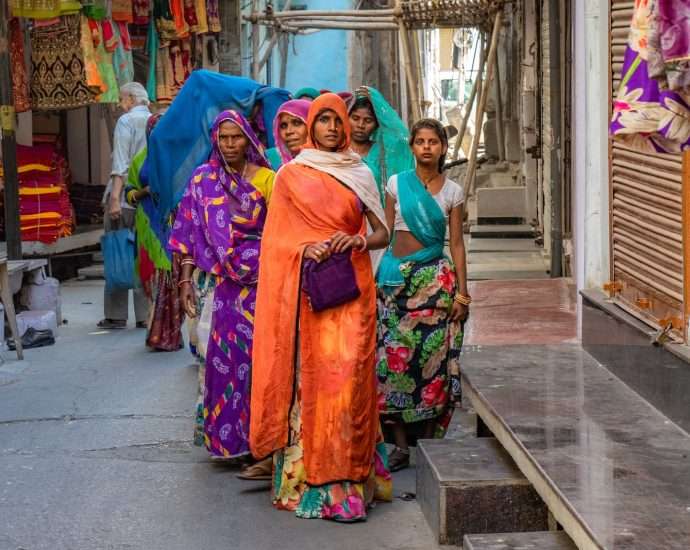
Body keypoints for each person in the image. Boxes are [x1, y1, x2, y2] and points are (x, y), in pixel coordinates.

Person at [250, 93, 392, 522]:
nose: (331, 127)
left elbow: (383, 234)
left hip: (352, 289)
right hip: (310, 293)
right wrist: (304, 247)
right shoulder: (293, 175)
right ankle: (313, 483)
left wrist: (358, 240)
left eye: (337, 120)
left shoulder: (359, 171)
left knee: (348, 383)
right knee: (316, 382)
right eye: (323, 119)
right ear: (312, 125)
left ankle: (352, 480)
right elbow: (275, 242)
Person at [168, 110, 275, 477]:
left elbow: (278, 233)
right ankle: (225, 440)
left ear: (248, 138)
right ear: (216, 139)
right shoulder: (203, 180)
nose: (230, 145)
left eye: (237, 137)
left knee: (256, 364)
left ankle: (257, 443)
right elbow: (186, 235)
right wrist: (184, 284)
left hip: (260, 283)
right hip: (214, 285)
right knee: (216, 361)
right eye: (224, 138)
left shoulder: (266, 179)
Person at [376, 118, 469, 472]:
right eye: (420, 141)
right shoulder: (397, 184)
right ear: (412, 147)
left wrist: (463, 293)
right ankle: (399, 445)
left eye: (433, 141)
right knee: (393, 365)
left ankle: (429, 442)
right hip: (396, 283)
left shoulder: (453, 192)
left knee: (433, 365)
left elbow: (457, 244)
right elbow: (384, 234)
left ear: (443, 148)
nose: (427, 147)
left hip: (435, 285)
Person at [125, 113, 184, 352]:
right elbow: (129, 192)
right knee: (155, 280)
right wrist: (144, 191)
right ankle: (156, 331)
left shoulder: (179, 156)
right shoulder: (140, 159)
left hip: (176, 225)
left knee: (176, 280)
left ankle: (172, 334)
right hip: (149, 227)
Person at [99, 82, 152, 330]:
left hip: (124, 198)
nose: (120, 104)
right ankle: (144, 315)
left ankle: (116, 315)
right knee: (142, 254)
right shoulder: (155, 121)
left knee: (116, 251)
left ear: (131, 99)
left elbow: (120, 163)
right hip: (146, 197)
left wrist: (114, 200)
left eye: (121, 99)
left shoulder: (126, 121)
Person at [348, 86, 415, 206]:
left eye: (368, 121)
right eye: (355, 118)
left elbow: (401, 139)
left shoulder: (382, 153)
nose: (360, 125)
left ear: (377, 125)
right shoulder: (338, 150)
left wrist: (379, 103)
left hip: (377, 218)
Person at [265, 99, 311, 170]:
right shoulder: (272, 162)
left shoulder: (328, 164)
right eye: (283, 126)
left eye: (296, 123)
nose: (288, 131)